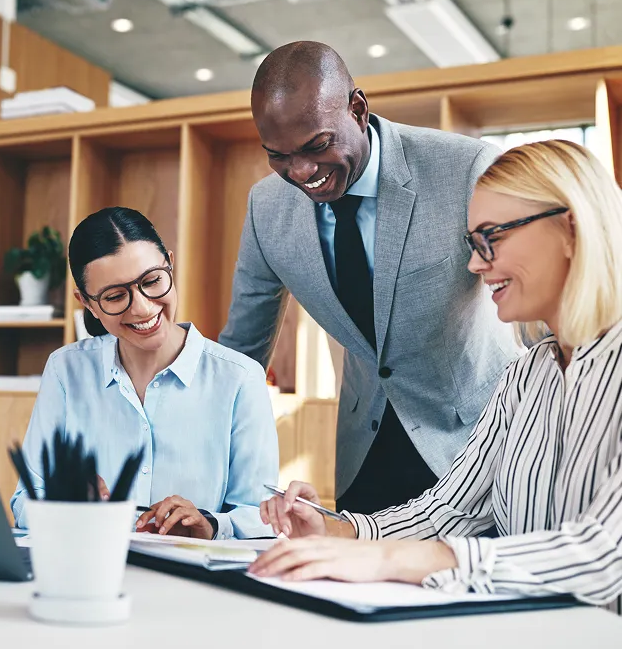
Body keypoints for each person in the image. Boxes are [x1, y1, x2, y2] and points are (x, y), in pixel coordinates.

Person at [251, 140, 622, 614]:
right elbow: (451, 508)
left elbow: (604, 555)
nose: (475, 264)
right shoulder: (526, 376)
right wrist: (338, 529)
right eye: (472, 243)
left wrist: (401, 558)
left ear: (570, 228)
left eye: (492, 237)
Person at [220, 41, 522, 514]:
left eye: (317, 145)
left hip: (480, 446)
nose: (301, 171)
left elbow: (534, 300)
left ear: (358, 109)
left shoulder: (465, 169)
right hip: (365, 456)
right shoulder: (267, 208)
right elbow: (241, 351)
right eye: (277, 155)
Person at [10, 207, 278, 539]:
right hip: (89, 570)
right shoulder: (67, 371)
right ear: (87, 303)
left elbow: (261, 521)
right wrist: (63, 506)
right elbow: (25, 502)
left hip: (192, 583)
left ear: (169, 262)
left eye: (151, 281)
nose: (142, 308)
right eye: (115, 296)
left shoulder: (240, 378)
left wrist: (209, 525)